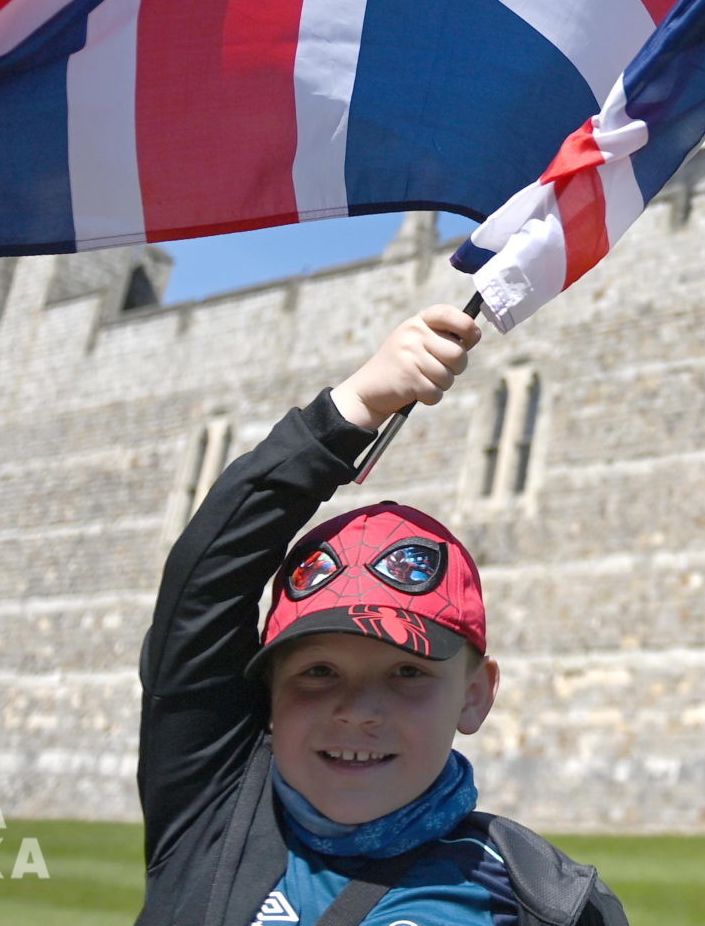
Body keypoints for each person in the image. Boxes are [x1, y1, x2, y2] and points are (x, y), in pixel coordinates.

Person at [131, 303, 628, 926]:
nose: (357, 710)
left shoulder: (545, 903)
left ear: (475, 696)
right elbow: (203, 585)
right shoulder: (213, 805)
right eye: (317, 672)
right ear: (270, 692)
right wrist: (353, 408)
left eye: (407, 674)